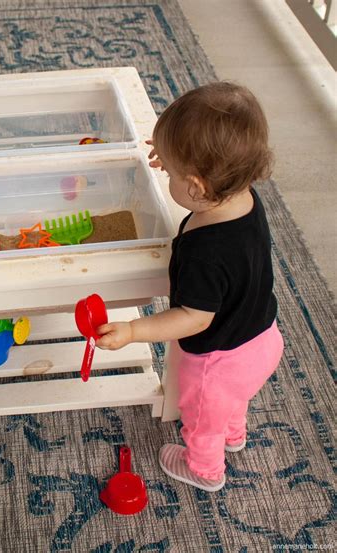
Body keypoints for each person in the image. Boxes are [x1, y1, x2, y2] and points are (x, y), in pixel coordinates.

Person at [96, 82, 284, 492]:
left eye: (174, 172)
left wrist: (133, 331)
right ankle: (234, 432)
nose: (166, 172)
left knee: (202, 420)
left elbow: (192, 319)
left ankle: (205, 469)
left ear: (196, 187)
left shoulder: (205, 254)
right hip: (263, 338)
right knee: (234, 402)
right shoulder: (242, 195)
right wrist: (176, 156)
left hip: (217, 363)